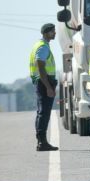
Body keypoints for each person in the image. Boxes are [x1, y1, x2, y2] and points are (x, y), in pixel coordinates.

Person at [29, 23, 59, 151]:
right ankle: (42, 142)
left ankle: (41, 141)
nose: (55, 33)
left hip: (43, 81)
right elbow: (40, 66)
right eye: (53, 31)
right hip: (44, 82)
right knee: (44, 113)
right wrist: (48, 86)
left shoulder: (41, 45)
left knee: (42, 112)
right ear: (46, 33)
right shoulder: (42, 47)